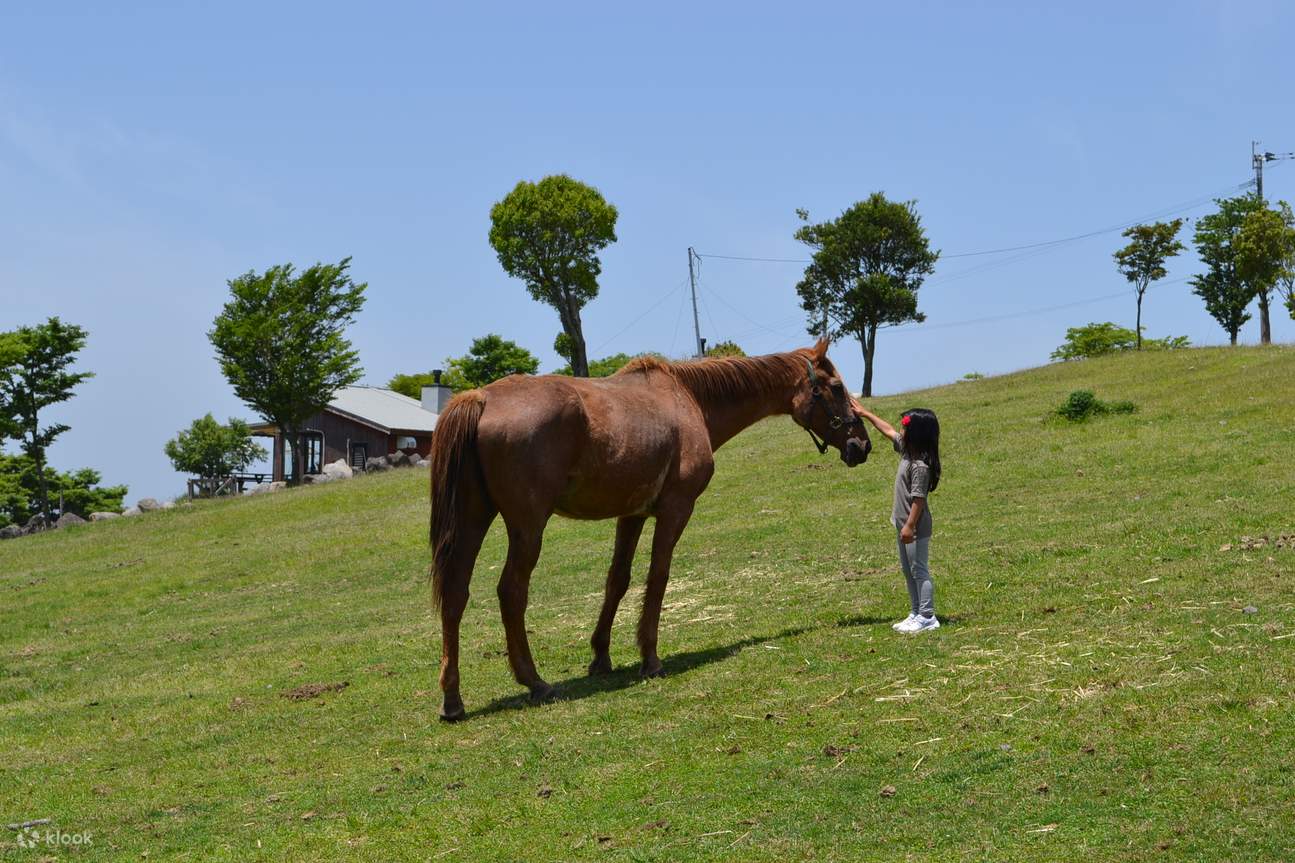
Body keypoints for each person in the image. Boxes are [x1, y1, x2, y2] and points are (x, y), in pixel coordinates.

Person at [854, 403, 942, 633]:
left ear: (916, 433)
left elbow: (919, 500)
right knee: (908, 571)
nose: (900, 431)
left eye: (905, 427)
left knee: (919, 570)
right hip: (903, 525)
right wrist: (865, 413)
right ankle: (915, 612)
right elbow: (888, 430)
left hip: (914, 527)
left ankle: (927, 616)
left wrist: (910, 526)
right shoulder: (907, 451)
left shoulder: (920, 466)